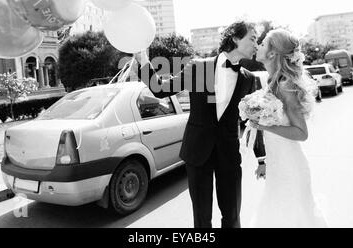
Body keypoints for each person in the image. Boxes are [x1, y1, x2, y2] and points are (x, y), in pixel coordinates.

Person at [134, 21, 266, 228]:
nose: (256, 45)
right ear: (235, 38)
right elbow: (160, 89)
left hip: (229, 155)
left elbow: (253, 120)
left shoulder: (249, 79)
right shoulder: (198, 67)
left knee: (232, 217)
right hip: (197, 153)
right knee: (202, 219)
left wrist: (262, 158)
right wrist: (142, 60)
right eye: (252, 39)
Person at [250, 29, 328, 228]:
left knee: (292, 218)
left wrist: (263, 124)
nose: (258, 46)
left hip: (291, 168)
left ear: (272, 53)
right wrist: (265, 160)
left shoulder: (285, 85)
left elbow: (301, 133)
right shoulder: (271, 82)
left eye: (263, 43)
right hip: (277, 166)